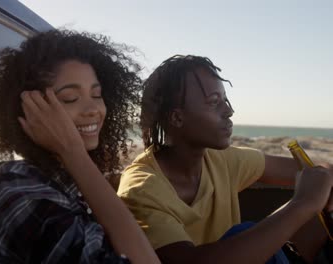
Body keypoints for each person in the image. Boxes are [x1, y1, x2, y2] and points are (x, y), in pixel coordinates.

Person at [117, 54, 333, 263]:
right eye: (214, 102)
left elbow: (311, 173)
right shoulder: (141, 189)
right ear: (177, 117)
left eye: (226, 100)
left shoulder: (221, 160)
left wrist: (324, 183)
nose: (229, 111)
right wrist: (302, 205)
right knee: (246, 231)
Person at [0, 29, 160, 264]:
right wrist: (75, 154)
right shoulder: (15, 186)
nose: (93, 110)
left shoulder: (69, 181)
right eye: (70, 98)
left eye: (97, 95)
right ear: (30, 109)